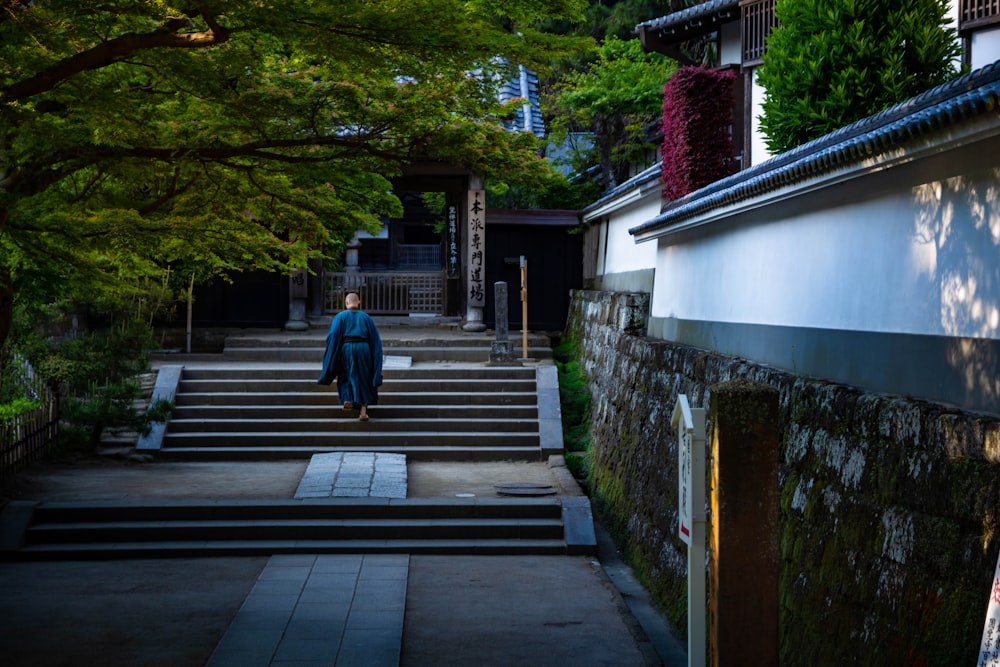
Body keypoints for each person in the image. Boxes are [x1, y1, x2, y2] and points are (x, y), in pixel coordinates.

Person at [317, 292, 383, 421]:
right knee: (365, 377)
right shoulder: (366, 317)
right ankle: (363, 412)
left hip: (347, 348)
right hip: (364, 348)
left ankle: (348, 398)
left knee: (347, 373)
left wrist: (332, 354)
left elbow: (334, 336)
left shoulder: (340, 316)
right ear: (358, 302)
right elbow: (375, 339)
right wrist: (376, 357)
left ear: (346, 303)